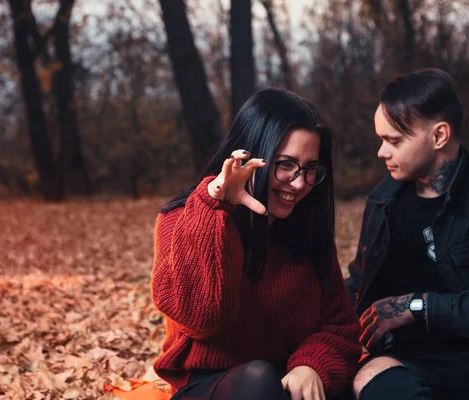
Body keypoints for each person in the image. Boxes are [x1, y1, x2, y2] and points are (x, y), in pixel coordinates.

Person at [150, 88, 361, 400]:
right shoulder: (182, 219)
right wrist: (213, 206)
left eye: (310, 169)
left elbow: (339, 326)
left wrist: (312, 365)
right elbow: (200, 318)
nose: (299, 183)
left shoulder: (307, 227)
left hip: (287, 380)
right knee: (259, 381)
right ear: (249, 156)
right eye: (285, 164)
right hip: (214, 385)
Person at [345, 68, 469, 399]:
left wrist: (420, 307)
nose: (381, 152)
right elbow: (358, 283)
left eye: (393, 140)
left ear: (439, 135)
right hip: (405, 362)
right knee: (371, 379)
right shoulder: (383, 201)